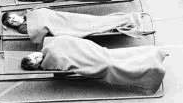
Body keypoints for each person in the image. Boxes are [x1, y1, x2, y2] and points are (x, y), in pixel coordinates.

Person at [19, 35, 167, 93]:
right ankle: (152, 69)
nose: (36, 56)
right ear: (38, 65)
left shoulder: (48, 45)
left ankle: (152, 54)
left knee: (117, 55)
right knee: (111, 64)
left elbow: (71, 41)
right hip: (95, 62)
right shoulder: (50, 60)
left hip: (94, 51)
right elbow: (68, 62)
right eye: (36, 61)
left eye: (33, 55)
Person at [1, 8, 150, 44]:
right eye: (12, 23)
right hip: (63, 27)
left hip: (64, 18)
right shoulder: (24, 27)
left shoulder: (29, 13)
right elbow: (37, 31)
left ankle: (127, 20)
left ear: (17, 15)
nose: (15, 21)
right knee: (94, 26)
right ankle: (127, 21)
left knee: (92, 20)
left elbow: (45, 13)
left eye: (14, 18)